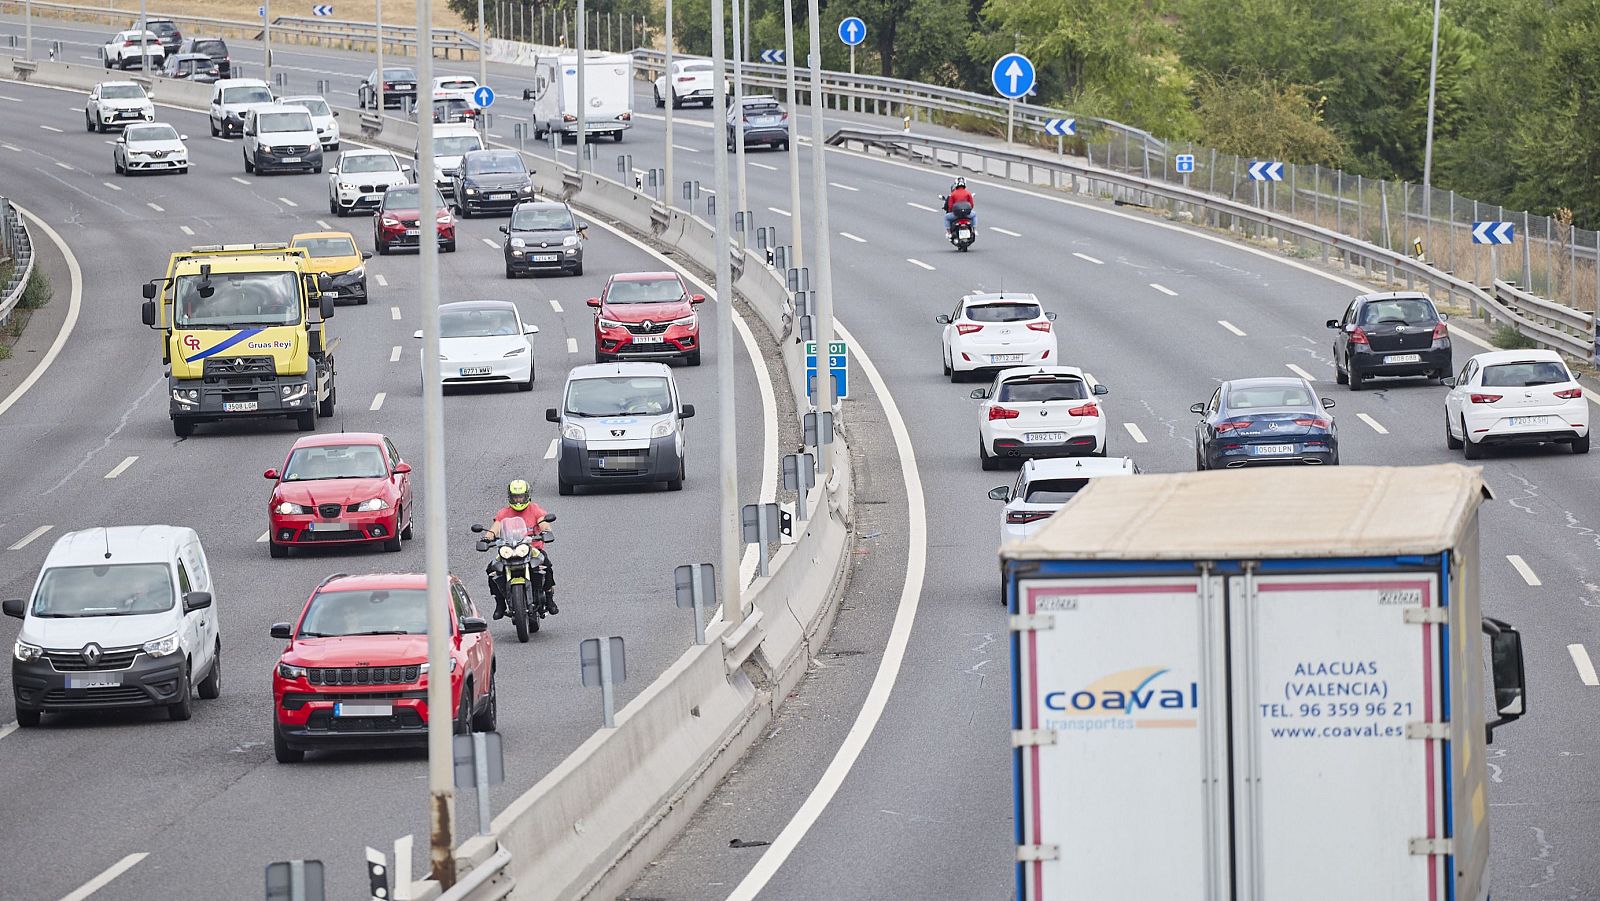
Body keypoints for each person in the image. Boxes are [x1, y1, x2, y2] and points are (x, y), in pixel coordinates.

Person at [484, 479, 557, 618]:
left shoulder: (535, 509)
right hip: (509, 550)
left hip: (531, 549)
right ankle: (500, 603)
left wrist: (546, 531)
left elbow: (544, 523)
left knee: (546, 565)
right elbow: (495, 528)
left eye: (521, 496)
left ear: (527, 496)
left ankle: (549, 598)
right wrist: (486, 538)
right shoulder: (503, 513)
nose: (518, 500)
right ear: (510, 497)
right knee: (491, 569)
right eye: (515, 497)